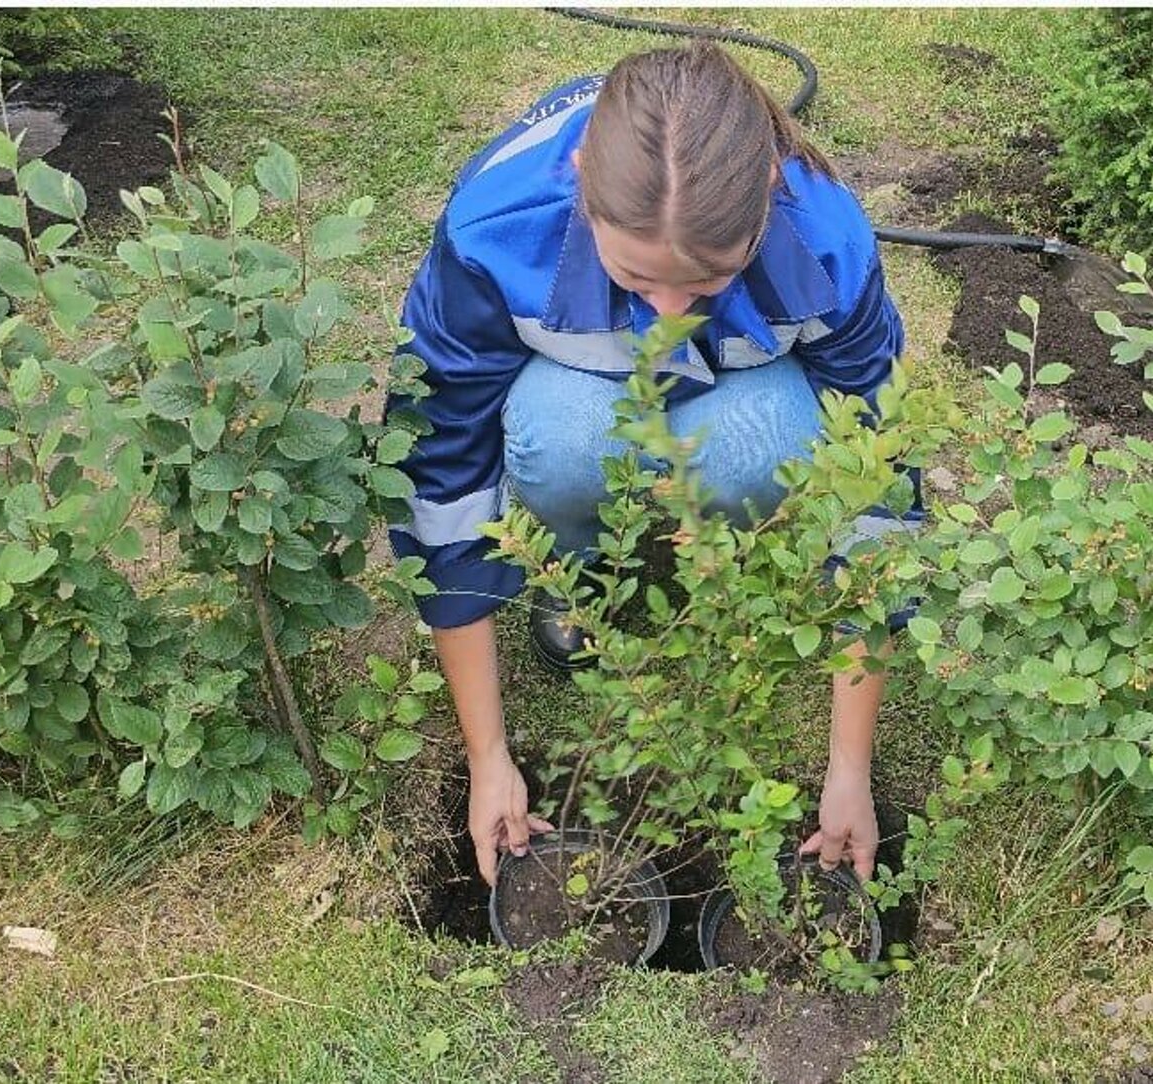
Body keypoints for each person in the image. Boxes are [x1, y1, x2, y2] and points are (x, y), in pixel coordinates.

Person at [386, 42, 917, 892]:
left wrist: (848, 767)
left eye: (710, 278)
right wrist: (487, 755)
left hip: (747, 397)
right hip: (580, 398)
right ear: (581, 185)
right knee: (560, 438)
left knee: (771, 443)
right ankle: (577, 573)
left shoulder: (826, 239)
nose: (669, 311)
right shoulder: (495, 235)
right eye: (634, 275)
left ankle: (737, 565)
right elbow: (442, 469)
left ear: (768, 200)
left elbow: (878, 475)